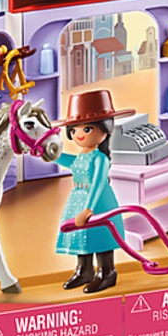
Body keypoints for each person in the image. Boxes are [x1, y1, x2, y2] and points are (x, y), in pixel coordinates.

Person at [54, 90, 134, 293]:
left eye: (87, 129)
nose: (79, 134)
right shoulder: (82, 156)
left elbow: (98, 183)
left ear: (105, 129)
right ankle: (84, 270)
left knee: (100, 235)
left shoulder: (101, 159)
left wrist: (88, 209)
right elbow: (70, 162)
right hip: (78, 199)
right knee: (82, 235)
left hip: (97, 202)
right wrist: (50, 154)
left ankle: (107, 272)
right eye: (74, 130)